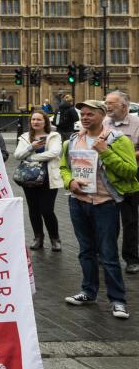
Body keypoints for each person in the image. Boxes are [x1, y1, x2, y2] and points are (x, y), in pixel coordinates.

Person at [61, 100, 139, 320]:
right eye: (82, 114)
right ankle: (88, 291)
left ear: (102, 116)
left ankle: (118, 300)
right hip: (78, 202)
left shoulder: (117, 140)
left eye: (90, 114)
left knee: (108, 254)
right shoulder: (74, 140)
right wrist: (70, 183)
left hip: (105, 203)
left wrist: (105, 152)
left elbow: (130, 171)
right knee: (86, 251)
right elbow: (64, 168)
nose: (85, 118)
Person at [14, 110, 63, 251]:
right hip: (29, 178)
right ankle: (38, 237)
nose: (35, 122)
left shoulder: (54, 136)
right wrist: (31, 147)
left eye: (39, 120)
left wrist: (30, 157)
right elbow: (17, 155)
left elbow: (54, 153)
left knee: (47, 210)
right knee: (33, 209)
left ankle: (55, 238)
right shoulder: (25, 137)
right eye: (33, 120)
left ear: (45, 122)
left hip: (48, 179)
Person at [104, 90, 139, 274]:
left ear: (124, 106)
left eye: (111, 103)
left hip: (129, 179)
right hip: (106, 180)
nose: (107, 106)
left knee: (130, 222)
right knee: (107, 222)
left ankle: (132, 259)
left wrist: (126, 157)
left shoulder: (137, 123)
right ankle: (106, 256)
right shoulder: (104, 122)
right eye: (106, 102)